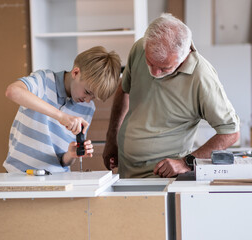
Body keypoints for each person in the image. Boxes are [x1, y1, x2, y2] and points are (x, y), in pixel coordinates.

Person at [103, 13, 240, 178]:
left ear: (184, 54)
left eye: (164, 68)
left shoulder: (202, 77)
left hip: (162, 177)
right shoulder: (140, 47)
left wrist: (186, 162)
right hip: (124, 171)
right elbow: (123, 89)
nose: (154, 72)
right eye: (150, 63)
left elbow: (230, 133)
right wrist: (112, 139)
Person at [3, 46, 121, 173]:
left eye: (93, 97)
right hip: (19, 175)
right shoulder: (43, 80)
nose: (87, 100)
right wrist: (61, 116)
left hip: (56, 180)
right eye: (87, 92)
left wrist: (70, 155)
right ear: (76, 73)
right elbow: (13, 91)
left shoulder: (87, 108)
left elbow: (62, 161)